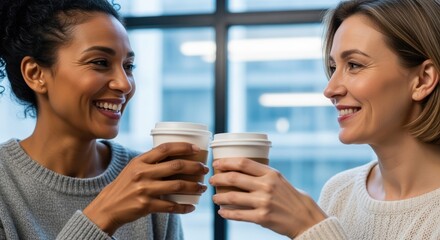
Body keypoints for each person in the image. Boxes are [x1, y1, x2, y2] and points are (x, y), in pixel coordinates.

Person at [209, 0, 440, 239]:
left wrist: (309, 228)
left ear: (423, 79)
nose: (330, 89)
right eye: (333, 67)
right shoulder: (340, 191)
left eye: (354, 65)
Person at [0, 0, 209, 239]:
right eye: (100, 63)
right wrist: (104, 215)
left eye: (128, 66)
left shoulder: (146, 178)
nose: (124, 83)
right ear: (35, 74)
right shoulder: (5, 186)